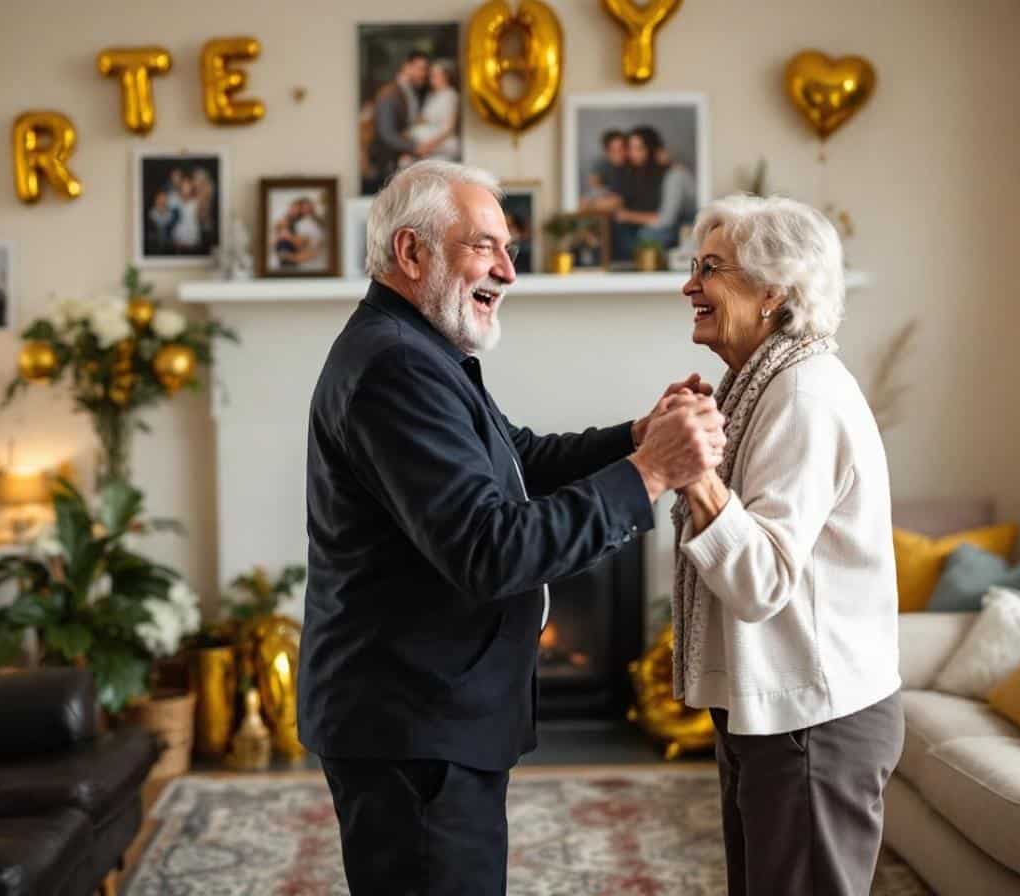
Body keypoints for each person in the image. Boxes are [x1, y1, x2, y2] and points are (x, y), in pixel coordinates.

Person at [300, 159, 724, 894]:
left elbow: (519, 458)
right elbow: (491, 551)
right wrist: (651, 472)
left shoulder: (417, 348)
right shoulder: (398, 365)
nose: (508, 271)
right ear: (411, 252)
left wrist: (637, 436)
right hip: (413, 725)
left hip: (424, 714)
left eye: (510, 249)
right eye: (485, 246)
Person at [671, 194, 903, 896]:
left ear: (774, 291)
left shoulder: (803, 395)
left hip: (813, 723)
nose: (689, 286)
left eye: (710, 269)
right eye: (694, 266)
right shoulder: (759, 387)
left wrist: (697, 474)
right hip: (777, 713)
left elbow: (761, 580)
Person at [615, 126, 696, 252]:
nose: (633, 154)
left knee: (646, 236)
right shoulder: (637, 173)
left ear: (652, 150)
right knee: (620, 230)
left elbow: (666, 219)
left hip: (683, 225)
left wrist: (628, 216)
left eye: (639, 148)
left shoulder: (674, 174)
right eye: (630, 148)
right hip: (658, 224)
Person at [365, 51, 429, 193]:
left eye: (425, 70)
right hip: (386, 164)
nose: (423, 74)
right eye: (420, 68)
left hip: (401, 161)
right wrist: (414, 147)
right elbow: (385, 133)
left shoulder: (410, 92)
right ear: (406, 66)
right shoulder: (388, 94)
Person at [407, 59, 461, 162]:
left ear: (446, 76)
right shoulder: (431, 96)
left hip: (441, 146)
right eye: (431, 75)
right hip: (425, 145)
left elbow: (449, 128)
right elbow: (422, 119)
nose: (431, 78)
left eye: (435, 75)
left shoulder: (450, 95)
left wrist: (428, 146)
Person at [581, 129, 628, 212]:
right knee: (583, 201)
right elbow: (594, 186)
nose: (619, 154)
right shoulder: (600, 163)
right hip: (604, 197)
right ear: (606, 151)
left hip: (622, 200)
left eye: (621, 149)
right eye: (613, 150)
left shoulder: (631, 164)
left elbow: (626, 195)